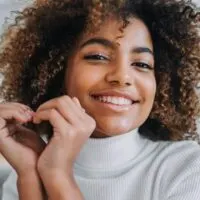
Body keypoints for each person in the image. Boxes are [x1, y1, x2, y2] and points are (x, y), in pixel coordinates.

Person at [0, 0, 199, 199]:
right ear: (58, 71)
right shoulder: (25, 171)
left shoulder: (187, 168)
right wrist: (30, 174)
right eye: (98, 57)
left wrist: (58, 175)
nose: (122, 77)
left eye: (142, 64)